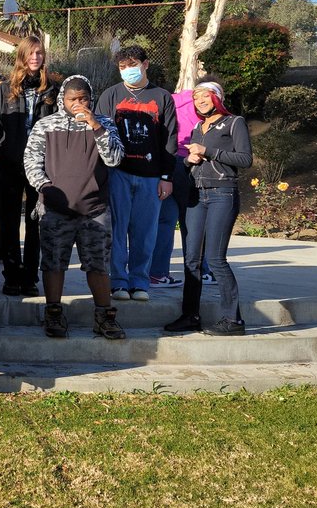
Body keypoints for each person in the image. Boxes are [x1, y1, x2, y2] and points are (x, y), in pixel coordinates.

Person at [24, 75, 126, 340]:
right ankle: (53, 313)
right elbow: (31, 161)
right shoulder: (46, 125)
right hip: (56, 208)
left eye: (84, 98)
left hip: (95, 208)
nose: (79, 103)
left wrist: (95, 127)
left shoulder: (105, 123)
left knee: (98, 265)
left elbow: (114, 159)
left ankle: (104, 317)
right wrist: (45, 188)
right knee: (53, 263)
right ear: (62, 100)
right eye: (73, 99)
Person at [164, 78, 253, 336]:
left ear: (218, 97)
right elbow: (193, 162)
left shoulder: (234, 122)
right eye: (196, 97)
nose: (199, 101)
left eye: (205, 96)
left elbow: (245, 159)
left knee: (215, 258)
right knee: (191, 259)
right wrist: (188, 161)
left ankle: (233, 320)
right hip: (196, 195)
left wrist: (209, 150)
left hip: (222, 194)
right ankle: (190, 315)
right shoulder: (198, 127)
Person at [95, 44, 177, 302]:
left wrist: (166, 177)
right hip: (117, 174)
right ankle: (118, 282)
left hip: (151, 177)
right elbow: (100, 135)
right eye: (122, 67)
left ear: (145, 64)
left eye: (132, 65)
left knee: (145, 232)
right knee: (117, 231)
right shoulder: (110, 95)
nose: (128, 70)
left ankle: (140, 282)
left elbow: (169, 140)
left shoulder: (162, 97)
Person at [0, 36, 62, 297]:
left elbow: (57, 125)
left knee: (36, 221)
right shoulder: (5, 89)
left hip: (41, 165)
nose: (35, 58)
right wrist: (0, 149)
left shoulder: (52, 89)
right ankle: (11, 275)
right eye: (31, 53)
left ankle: (30, 277)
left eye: (39, 53)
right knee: (9, 221)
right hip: (11, 162)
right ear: (22, 56)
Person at [148, 86, 196, 288]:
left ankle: (156, 273)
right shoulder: (205, 106)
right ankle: (201, 271)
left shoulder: (168, 100)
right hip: (188, 162)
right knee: (193, 220)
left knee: (165, 220)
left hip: (164, 162)